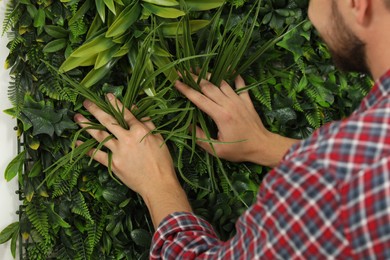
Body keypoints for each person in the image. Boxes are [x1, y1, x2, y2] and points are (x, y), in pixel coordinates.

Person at [74, 0, 390, 258]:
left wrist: (158, 184)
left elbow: (354, 177)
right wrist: (267, 145)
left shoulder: (335, 182)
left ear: (358, 4)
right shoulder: (349, 167)